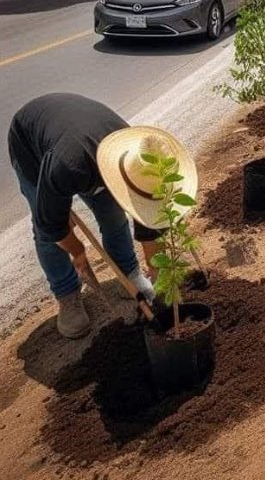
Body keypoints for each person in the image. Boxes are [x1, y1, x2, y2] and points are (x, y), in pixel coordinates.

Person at [6, 95, 189, 337]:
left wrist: (161, 280)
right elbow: (50, 225)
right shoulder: (69, 166)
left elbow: (149, 226)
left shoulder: (138, 162)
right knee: (48, 231)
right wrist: (77, 251)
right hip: (30, 145)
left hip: (81, 142)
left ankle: (129, 273)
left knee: (112, 214)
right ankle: (67, 294)